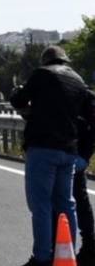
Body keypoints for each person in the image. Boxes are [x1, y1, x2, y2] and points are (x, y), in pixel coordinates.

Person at [10, 46, 90, 266]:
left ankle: (42, 257)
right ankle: (66, 253)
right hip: (69, 152)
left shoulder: (42, 74)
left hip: (43, 148)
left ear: (46, 60)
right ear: (65, 60)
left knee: (41, 205)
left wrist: (18, 93)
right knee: (66, 204)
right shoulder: (78, 80)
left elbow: (18, 100)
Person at [75, 89, 95, 264]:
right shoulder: (82, 92)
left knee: (79, 200)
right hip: (73, 153)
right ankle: (89, 245)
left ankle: (89, 245)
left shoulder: (85, 96)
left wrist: (84, 156)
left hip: (74, 153)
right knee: (79, 200)